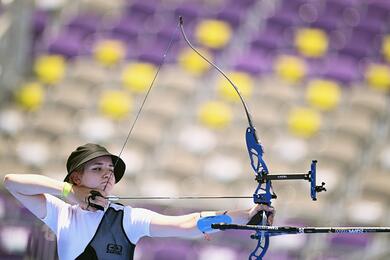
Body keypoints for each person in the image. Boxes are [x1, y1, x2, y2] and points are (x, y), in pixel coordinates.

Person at [3, 143, 275, 260]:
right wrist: (69, 193)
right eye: (97, 169)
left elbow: (186, 224)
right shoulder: (62, 213)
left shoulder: (127, 218)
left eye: (110, 170)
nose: (108, 174)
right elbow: (12, 182)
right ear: (76, 177)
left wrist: (244, 216)